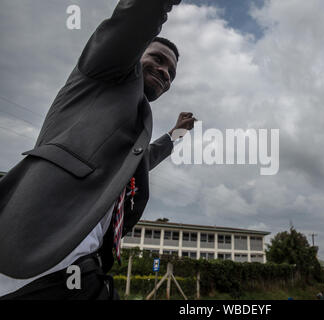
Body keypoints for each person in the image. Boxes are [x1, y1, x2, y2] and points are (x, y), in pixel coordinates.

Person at [0, 0, 193, 299]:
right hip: (35, 253)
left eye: (171, 71)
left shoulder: (137, 118)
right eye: (157, 58)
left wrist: (177, 134)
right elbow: (134, 19)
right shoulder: (104, 70)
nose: (165, 71)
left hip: (84, 266)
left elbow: (141, 163)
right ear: (135, 53)